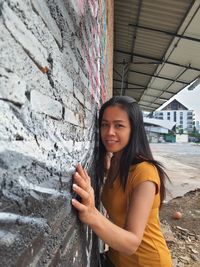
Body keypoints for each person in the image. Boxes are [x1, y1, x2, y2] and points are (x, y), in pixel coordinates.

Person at [72, 96, 172, 267]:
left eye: (119, 125)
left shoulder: (145, 172)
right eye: (105, 124)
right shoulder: (115, 163)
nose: (109, 132)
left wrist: (91, 214)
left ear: (134, 130)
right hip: (116, 259)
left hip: (147, 262)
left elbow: (132, 243)